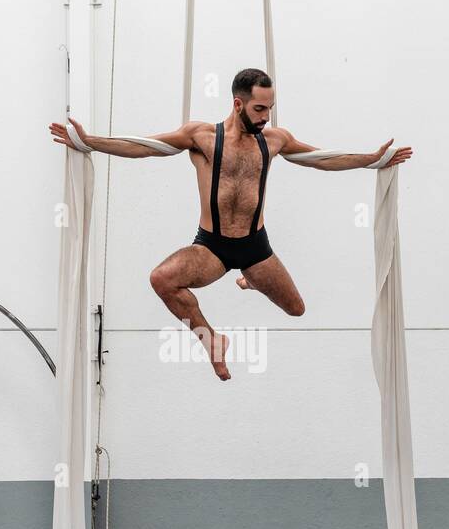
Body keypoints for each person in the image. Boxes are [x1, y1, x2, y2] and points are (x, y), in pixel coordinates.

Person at [49, 67, 412, 379]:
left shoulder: (274, 140)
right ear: (238, 104)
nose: (265, 117)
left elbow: (322, 160)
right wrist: (89, 141)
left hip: (255, 247)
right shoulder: (202, 137)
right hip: (213, 247)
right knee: (162, 279)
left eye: (269, 109)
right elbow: (144, 146)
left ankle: (251, 280)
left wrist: (371, 159)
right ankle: (212, 340)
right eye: (258, 109)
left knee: (296, 308)